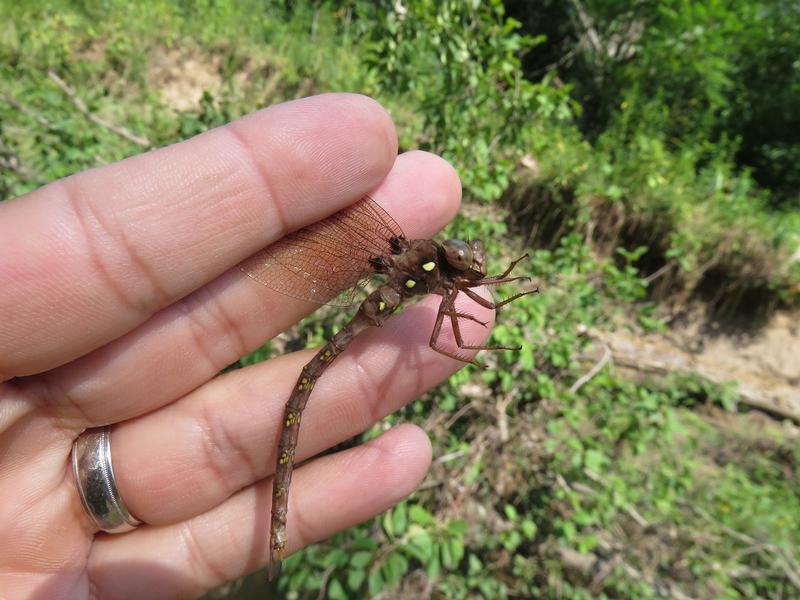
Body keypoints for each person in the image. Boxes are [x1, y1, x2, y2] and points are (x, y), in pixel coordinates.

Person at [0, 93, 494, 598]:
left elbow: (451, 313)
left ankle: (273, 539)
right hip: (352, 331)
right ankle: (274, 534)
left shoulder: (439, 275)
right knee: (311, 387)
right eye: (462, 260)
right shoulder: (417, 262)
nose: (468, 263)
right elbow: (443, 328)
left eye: (469, 261)